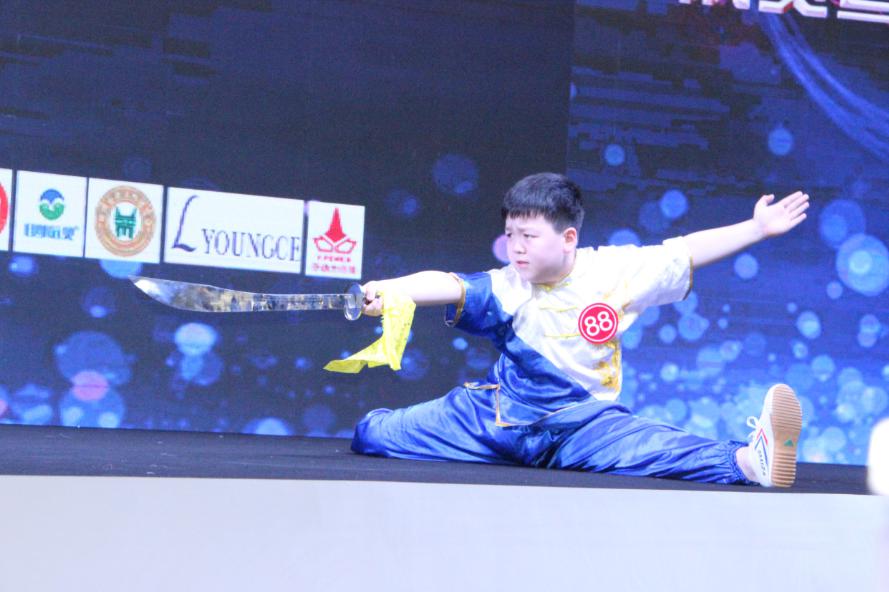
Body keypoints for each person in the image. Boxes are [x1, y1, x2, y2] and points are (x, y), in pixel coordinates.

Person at [351, 173, 808, 487]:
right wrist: (393, 291)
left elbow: (685, 252)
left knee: (660, 447)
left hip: (583, 426)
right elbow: (448, 284)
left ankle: (752, 460)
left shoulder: (615, 271)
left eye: (529, 236)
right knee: (371, 434)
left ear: (568, 238)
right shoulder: (506, 285)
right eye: (510, 235)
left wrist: (756, 228)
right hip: (495, 420)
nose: (516, 248)